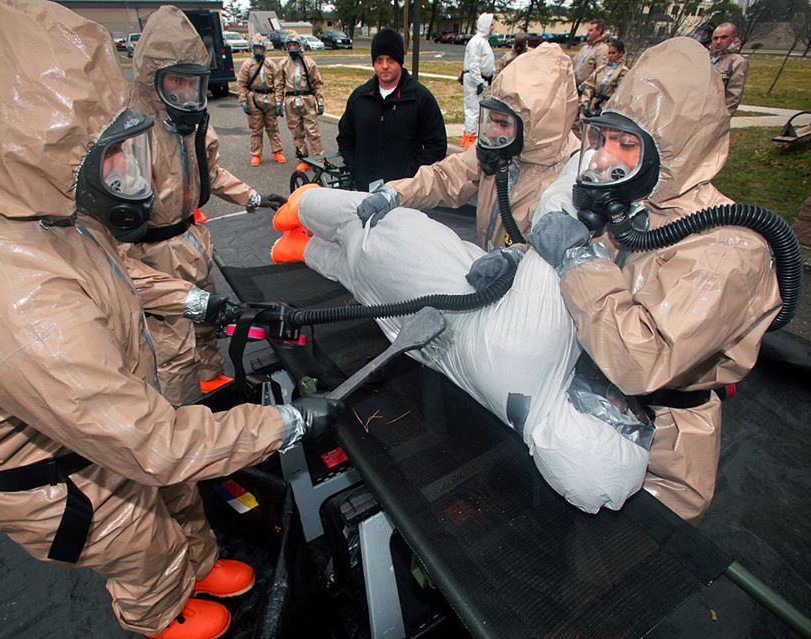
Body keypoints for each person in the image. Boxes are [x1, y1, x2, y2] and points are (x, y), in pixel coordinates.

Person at [0, 2, 339, 639]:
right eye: (105, 156)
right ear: (39, 141)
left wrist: (191, 300)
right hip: (52, 471)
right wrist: (286, 423)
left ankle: (197, 563)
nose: (125, 177)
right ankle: (160, 613)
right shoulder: (17, 303)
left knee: (171, 497)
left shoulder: (24, 199)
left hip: (90, 420)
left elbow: (108, 271)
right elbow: (152, 443)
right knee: (138, 536)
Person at [265, 182, 653, 515]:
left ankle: (303, 204)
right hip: (411, 329)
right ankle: (301, 249)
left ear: (591, 427)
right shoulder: (528, 417)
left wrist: (600, 178)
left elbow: (558, 221)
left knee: (364, 227)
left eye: (620, 419)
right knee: (357, 275)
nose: (620, 404)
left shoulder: (540, 351)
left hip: (420, 269)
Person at [529, 37, 781, 522]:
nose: (604, 159)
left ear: (674, 148)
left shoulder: (729, 250)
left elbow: (640, 360)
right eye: (604, 141)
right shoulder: (638, 210)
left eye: (627, 145)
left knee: (617, 572)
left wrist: (575, 258)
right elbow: (602, 269)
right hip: (593, 404)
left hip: (663, 446)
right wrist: (524, 258)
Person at [124, 6, 286, 407]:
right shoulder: (130, 138)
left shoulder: (194, 126)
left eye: (191, 83)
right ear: (152, 80)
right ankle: (180, 416)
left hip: (191, 240)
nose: (185, 94)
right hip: (150, 255)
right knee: (173, 344)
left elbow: (209, 173)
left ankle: (213, 382)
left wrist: (252, 196)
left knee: (205, 324)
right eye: (174, 82)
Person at [348, 44, 578, 252]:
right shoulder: (502, 151)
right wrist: (397, 193)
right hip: (491, 273)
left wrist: (520, 258)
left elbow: (570, 256)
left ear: (536, 127)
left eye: (503, 123)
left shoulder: (572, 177)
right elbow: (446, 177)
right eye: (491, 120)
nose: (491, 133)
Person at [336, 28, 447, 192]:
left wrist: (411, 175)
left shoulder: (420, 98)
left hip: (405, 194)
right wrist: (357, 169)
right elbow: (345, 138)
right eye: (379, 60)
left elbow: (437, 146)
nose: (385, 66)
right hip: (365, 190)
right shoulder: (360, 98)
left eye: (390, 59)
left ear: (400, 61)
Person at [279, 30, 325, 173]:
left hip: (307, 99)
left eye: (295, 44)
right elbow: (279, 85)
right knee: (296, 132)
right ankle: (303, 159)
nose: (293, 48)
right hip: (290, 100)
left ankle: (318, 158)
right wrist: (278, 102)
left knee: (312, 130)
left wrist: (320, 100)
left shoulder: (309, 63)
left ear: (300, 45)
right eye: (290, 45)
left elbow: (317, 83)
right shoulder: (283, 64)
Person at [237, 34, 287, 166]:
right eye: (256, 48)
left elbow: (278, 83)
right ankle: (256, 154)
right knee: (256, 128)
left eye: (261, 48)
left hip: (269, 97)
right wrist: (243, 101)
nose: (259, 51)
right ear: (253, 48)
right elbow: (241, 83)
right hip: (254, 98)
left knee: (273, 127)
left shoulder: (270, 64)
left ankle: (277, 151)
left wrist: (278, 102)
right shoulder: (248, 65)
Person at [461, 13, 496, 150]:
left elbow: (486, 62)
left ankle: (471, 135)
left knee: (478, 110)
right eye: (491, 24)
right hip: (475, 80)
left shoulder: (484, 42)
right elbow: (473, 64)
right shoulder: (476, 42)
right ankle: (468, 137)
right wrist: (478, 82)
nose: (493, 28)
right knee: (473, 110)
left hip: (480, 79)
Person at [579, 37, 628, 117]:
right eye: (609, 53)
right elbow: (589, 85)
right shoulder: (601, 69)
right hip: (593, 104)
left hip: (607, 108)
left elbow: (619, 93)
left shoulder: (623, 72)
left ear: (621, 53)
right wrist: (585, 103)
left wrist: (607, 108)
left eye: (613, 53)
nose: (610, 55)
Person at [709, 22, 749, 114]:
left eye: (723, 37)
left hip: (716, 114)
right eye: (715, 38)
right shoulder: (706, 57)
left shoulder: (737, 62)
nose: (718, 42)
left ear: (733, 37)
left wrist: (723, 118)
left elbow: (733, 95)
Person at [573, 20, 609, 95]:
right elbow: (573, 63)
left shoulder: (602, 49)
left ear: (598, 31)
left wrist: (584, 87)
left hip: (585, 90)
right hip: (573, 87)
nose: (587, 33)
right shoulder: (585, 48)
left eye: (591, 30)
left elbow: (600, 71)